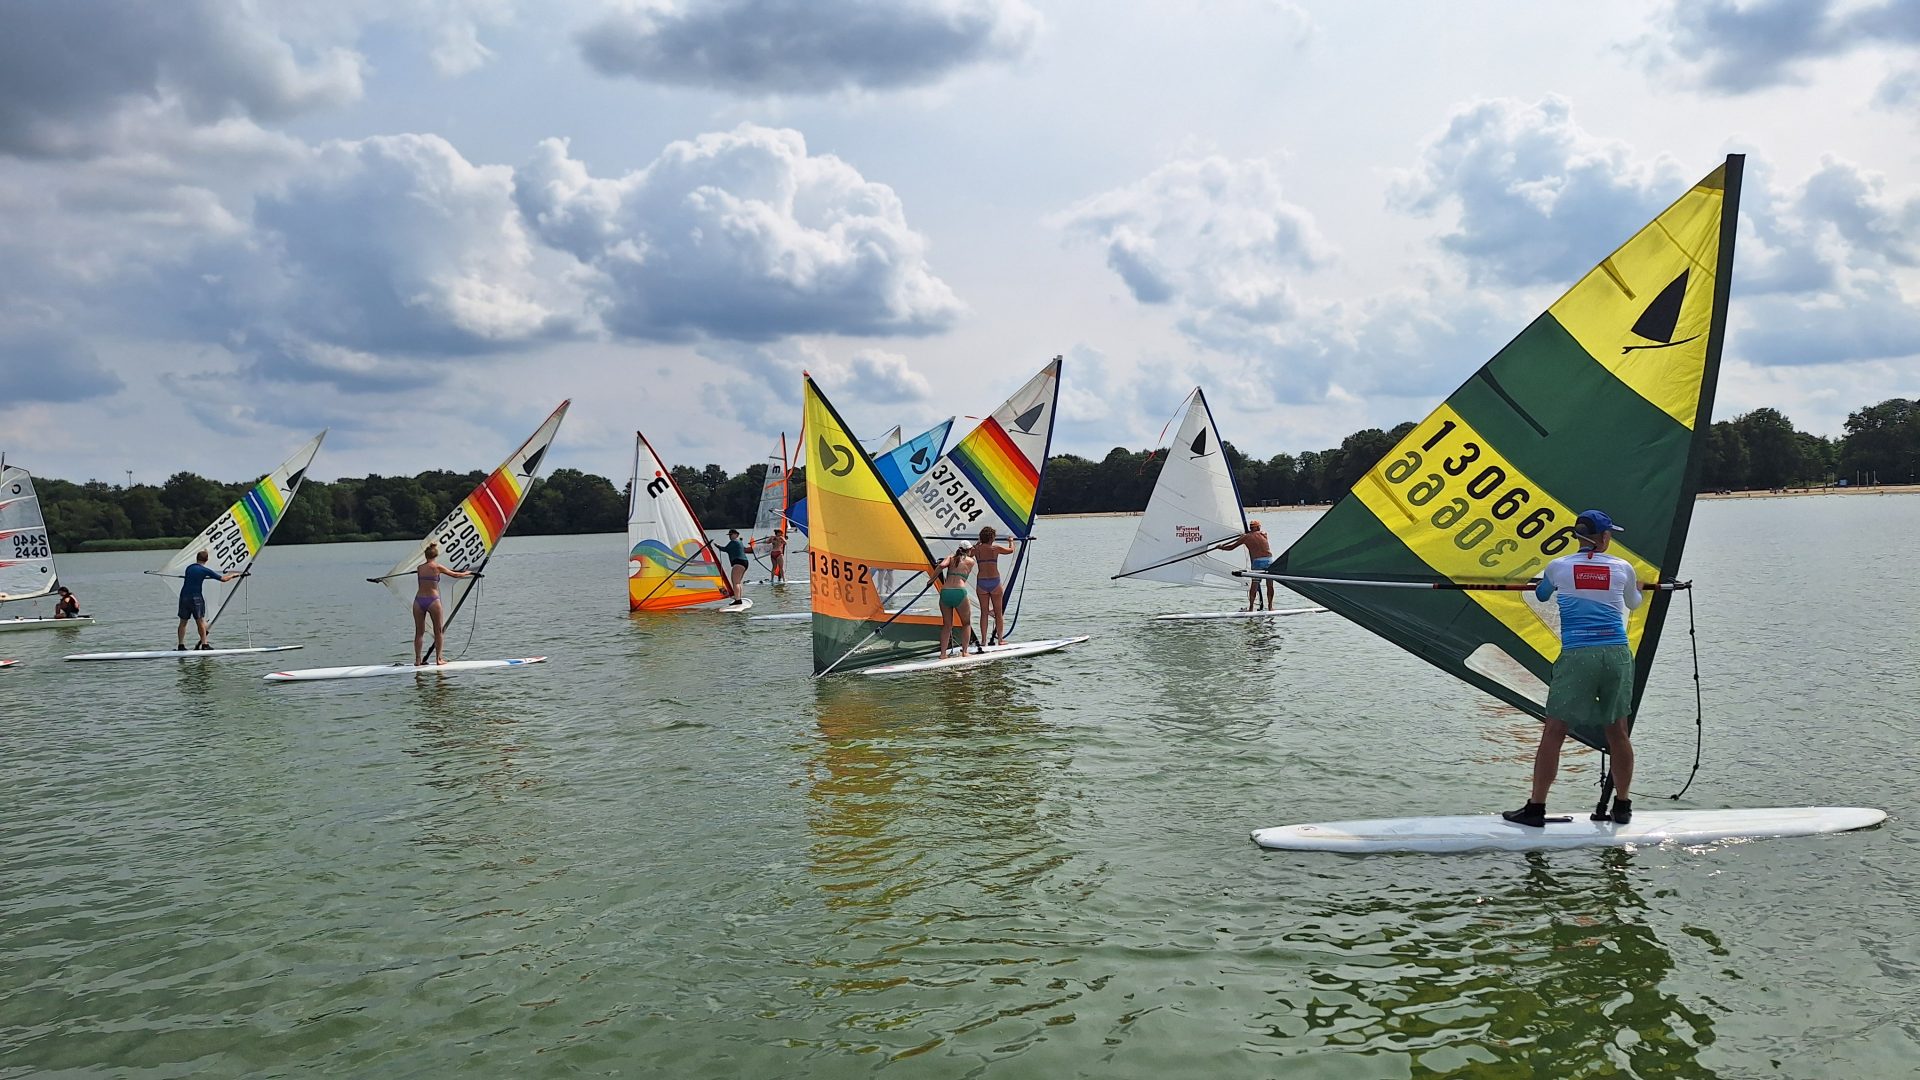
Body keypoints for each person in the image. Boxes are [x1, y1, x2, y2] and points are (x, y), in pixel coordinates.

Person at [1503, 510, 1644, 827]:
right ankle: (1622, 808)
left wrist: (1544, 583)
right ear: (1605, 538)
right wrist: (1639, 588)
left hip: (1578, 655)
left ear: (1578, 536)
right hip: (1616, 654)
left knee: (1554, 731)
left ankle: (1535, 808)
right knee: (1618, 732)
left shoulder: (1558, 567)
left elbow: (1540, 594)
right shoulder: (1623, 568)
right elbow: (1634, 603)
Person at [412, 542, 477, 666]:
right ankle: (438, 659)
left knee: (419, 632)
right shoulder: (437, 567)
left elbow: (429, 572)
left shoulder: (419, 568)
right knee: (439, 631)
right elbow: (455, 575)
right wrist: (467, 573)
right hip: (432, 600)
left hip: (418, 601)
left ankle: (417, 660)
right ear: (436, 555)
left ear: (425, 556)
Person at [176, 549, 240, 651]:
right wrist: (233, 575)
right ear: (206, 560)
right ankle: (205, 645)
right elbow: (223, 579)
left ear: (197, 558)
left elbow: (194, 576)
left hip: (184, 596)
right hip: (195, 597)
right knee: (200, 621)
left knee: (183, 622)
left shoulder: (189, 568)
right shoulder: (205, 570)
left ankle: (180, 645)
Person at [973, 526, 1018, 647]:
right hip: (994, 582)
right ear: (992, 538)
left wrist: (978, 543)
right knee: (998, 613)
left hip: (981, 582)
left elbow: (968, 553)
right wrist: (1011, 541)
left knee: (984, 612)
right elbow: (1011, 550)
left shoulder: (976, 549)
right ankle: (1000, 640)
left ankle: (983, 641)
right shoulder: (995, 548)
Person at [1217, 521, 1276, 611]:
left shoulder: (1245, 538)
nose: (1260, 528)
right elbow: (1259, 535)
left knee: (1255, 584)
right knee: (1270, 584)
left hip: (1257, 563)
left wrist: (1221, 547)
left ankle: (1251, 607)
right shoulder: (1264, 534)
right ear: (1256, 528)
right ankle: (1270, 607)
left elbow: (1231, 547)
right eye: (1259, 527)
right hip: (1269, 560)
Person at [936, 544, 976, 659]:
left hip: (945, 592)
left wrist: (931, 580)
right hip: (959, 592)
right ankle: (965, 652)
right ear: (969, 550)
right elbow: (970, 556)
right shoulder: (970, 561)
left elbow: (941, 566)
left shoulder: (951, 558)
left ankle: (943, 654)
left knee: (947, 625)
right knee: (966, 623)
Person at [720, 529, 751, 595]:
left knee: (735, 582)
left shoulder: (733, 542)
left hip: (738, 563)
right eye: (729, 535)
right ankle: (739, 597)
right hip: (745, 563)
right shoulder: (740, 542)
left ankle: (737, 600)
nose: (730, 536)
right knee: (738, 582)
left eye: (731, 535)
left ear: (736, 535)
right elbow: (744, 550)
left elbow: (724, 549)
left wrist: (716, 546)